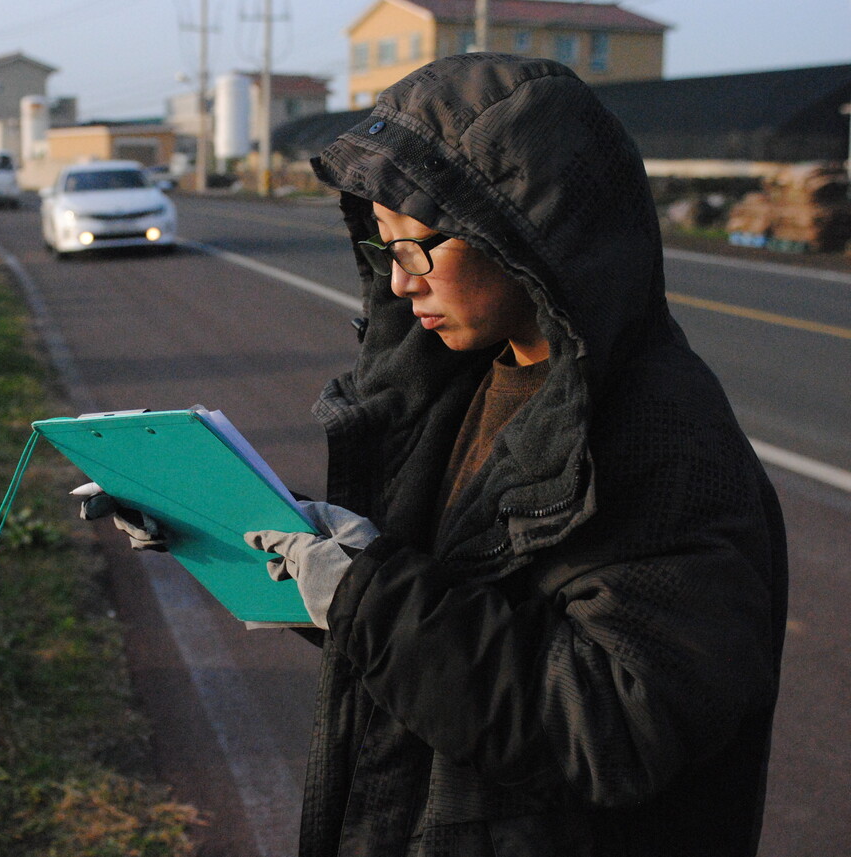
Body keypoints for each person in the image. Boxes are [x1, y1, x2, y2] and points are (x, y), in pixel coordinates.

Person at [234, 54, 788, 857]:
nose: (398, 284)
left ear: (525, 234)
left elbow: (617, 723)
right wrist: (263, 546)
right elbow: (445, 625)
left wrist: (369, 596)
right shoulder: (452, 386)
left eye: (417, 248)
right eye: (381, 247)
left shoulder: (669, 445)